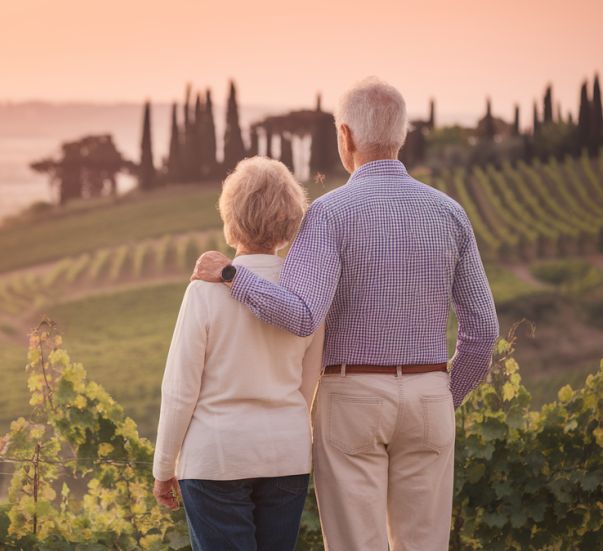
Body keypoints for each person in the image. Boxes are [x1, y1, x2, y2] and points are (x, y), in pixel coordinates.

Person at [192, 76, 499, 551]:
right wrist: (442, 394)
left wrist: (233, 276)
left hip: (352, 397)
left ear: (345, 136)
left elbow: (301, 316)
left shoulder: (329, 213)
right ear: (401, 134)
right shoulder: (450, 213)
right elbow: (484, 332)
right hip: (430, 395)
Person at [152, 156, 324, 551]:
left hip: (216, 458)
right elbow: (308, 385)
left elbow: (179, 391)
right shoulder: (307, 294)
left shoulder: (204, 290)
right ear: (290, 221)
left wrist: (163, 468)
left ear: (231, 218)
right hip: (287, 457)